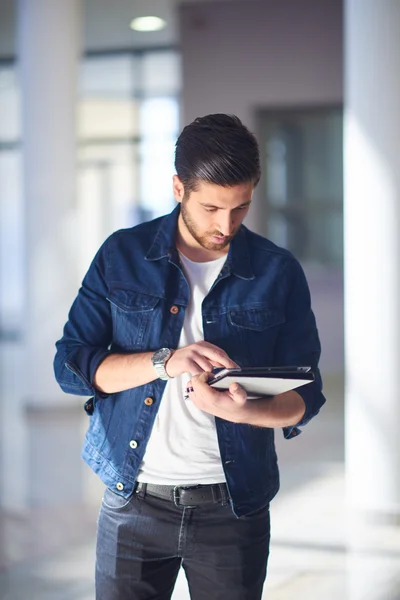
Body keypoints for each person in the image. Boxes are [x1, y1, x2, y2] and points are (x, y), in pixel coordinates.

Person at [54, 113, 326, 600]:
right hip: (131, 504)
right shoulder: (121, 255)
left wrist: (244, 409)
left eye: (240, 208)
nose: (226, 226)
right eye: (211, 208)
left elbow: (307, 395)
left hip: (233, 509)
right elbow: (72, 365)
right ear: (179, 187)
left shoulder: (276, 270)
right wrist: (165, 361)